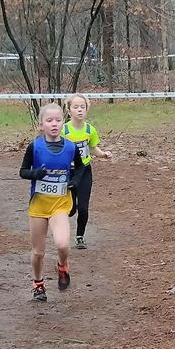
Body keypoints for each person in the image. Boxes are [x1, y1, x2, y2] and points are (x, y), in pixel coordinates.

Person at [19, 103, 86, 302]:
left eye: (58, 120)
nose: (54, 124)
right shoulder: (35, 146)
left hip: (60, 203)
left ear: (63, 122)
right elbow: (22, 171)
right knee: (38, 252)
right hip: (39, 205)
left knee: (63, 244)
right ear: (41, 125)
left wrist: (74, 181)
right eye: (49, 121)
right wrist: (35, 173)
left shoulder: (70, 147)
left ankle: (62, 266)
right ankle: (38, 284)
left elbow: (81, 169)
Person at [62, 94, 112, 250]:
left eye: (82, 107)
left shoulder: (90, 130)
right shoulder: (63, 130)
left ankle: (79, 236)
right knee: (70, 209)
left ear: (86, 110)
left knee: (83, 208)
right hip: (67, 172)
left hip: (84, 171)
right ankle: (71, 208)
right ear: (69, 110)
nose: (79, 110)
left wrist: (103, 154)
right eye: (75, 107)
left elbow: (93, 148)